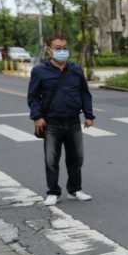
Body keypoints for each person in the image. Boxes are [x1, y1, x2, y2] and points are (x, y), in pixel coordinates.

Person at [27, 33, 94, 206]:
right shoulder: (39, 71)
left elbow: (84, 93)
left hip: (73, 122)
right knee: (51, 159)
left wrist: (88, 115)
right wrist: (37, 117)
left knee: (76, 158)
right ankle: (53, 192)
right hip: (51, 123)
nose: (62, 51)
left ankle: (75, 190)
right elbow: (33, 96)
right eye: (58, 49)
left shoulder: (76, 70)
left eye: (65, 48)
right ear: (49, 50)